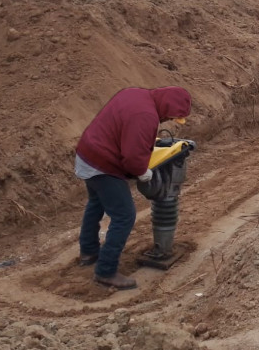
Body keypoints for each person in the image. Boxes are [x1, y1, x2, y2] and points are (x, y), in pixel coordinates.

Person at [74, 86, 192, 290]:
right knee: (124, 216)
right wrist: (142, 172)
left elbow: (126, 132)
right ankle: (106, 271)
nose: (169, 120)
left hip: (88, 154)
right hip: (103, 164)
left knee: (96, 203)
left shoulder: (137, 95)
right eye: (172, 116)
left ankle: (89, 252)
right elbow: (132, 157)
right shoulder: (145, 115)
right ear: (167, 106)